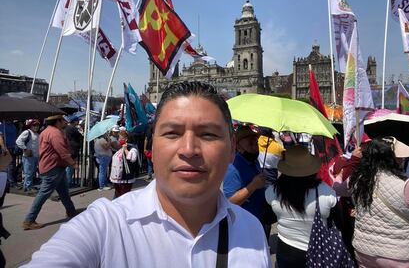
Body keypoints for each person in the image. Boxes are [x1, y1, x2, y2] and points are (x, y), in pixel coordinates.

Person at [22, 81, 271, 267]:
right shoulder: (105, 226)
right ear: (152, 146)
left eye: (208, 134)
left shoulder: (252, 230)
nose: (188, 150)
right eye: (172, 133)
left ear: (231, 150)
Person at [265, 144, 337, 268]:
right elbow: (335, 223)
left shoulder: (272, 191)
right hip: (319, 250)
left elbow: (268, 218)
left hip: (286, 250)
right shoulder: (327, 193)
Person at [349, 137, 409, 267]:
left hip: (363, 251)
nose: (402, 159)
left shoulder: (358, 179)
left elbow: (336, 187)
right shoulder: (406, 185)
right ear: (391, 159)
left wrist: (352, 161)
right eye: (399, 157)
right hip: (398, 255)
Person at [22, 115, 79, 230]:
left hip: (54, 166)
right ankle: (29, 220)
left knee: (64, 192)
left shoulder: (46, 131)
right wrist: (72, 163)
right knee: (43, 194)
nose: (65, 122)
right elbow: (62, 151)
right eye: (63, 120)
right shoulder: (55, 133)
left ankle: (71, 211)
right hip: (53, 167)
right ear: (57, 122)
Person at [223, 125, 267, 234]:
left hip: (258, 219)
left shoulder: (253, 160)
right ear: (238, 146)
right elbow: (229, 202)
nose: (255, 146)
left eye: (255, 142)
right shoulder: (233, 168)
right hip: (243, 226)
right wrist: (253, 186)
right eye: (250, 143)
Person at [110, 133, 139, 199]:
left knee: (124, 196)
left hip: (126, 177)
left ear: (126, 139)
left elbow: (132, 158)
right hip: (119, 178)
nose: (119, 140)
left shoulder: (132, 148)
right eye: (118, 138)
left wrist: (125, 149)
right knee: (118, 195)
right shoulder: (121, 147)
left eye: (121, 138)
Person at [15, 119, 40, 193]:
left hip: (35, 156)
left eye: (37, 125)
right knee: (28, 172)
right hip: (28, 156)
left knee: (32, 173)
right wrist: (25, 149)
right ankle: (27, 187)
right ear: (31, 126)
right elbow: (18, 141)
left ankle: (28, 186)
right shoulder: (27, 132)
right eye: (34, 125)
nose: (36, 127)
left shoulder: (37, 134)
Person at [63, 117, 83, 187]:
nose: (78, 122)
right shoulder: (72, 128)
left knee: (68, 167)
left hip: (70, 149)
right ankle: (68, 182)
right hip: (72, 149)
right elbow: (80, 136)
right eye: (77, 121)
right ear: (74, 121)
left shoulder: (67, 128)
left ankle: (67, 181)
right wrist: (80, 131)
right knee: (70, 167)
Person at [0, 121, 18, 188]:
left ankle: (11, 181)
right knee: (9, 166)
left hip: (13, 148)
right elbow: (0, 137)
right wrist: (3, 147)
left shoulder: (13, 126)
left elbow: (15, 136)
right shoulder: (2, 125)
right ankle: (10, 182)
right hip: (7, 148)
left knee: (13, 166)